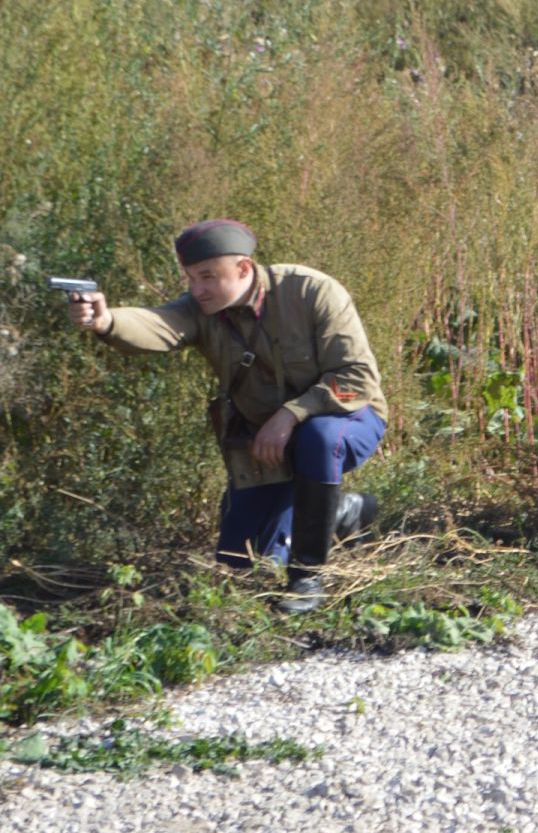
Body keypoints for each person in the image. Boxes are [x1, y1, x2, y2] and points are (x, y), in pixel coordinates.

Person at [65, 220, 385, 613]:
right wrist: (105, 321)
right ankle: (339, 510)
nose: (197, 289)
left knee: (317, 437)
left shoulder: (311, 290)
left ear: (245, 269)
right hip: (265, 449)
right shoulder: (201, 310)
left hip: (346, 421)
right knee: (241, 568)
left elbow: (358, 377)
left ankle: (307, 577)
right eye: (190, 278)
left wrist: (291, 415)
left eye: (207, 277)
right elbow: (158, 323)